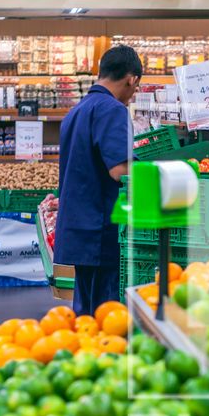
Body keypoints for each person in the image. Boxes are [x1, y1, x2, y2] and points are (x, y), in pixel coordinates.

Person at [55, 44, 142, 316]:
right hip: (101, 232)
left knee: (86, 315)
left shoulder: (76, 111)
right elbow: (120, 170)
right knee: (107, 317)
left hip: (80, 231)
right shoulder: (112, 110)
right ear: (132, 79)